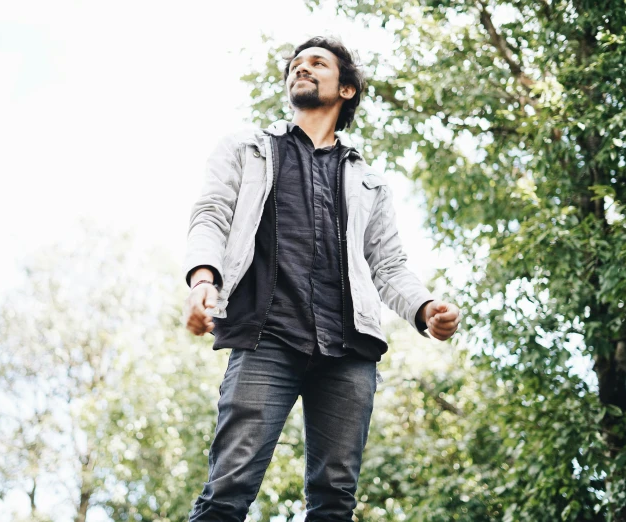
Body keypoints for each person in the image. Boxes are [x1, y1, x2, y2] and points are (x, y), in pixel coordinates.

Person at [182, 36, 461, 522]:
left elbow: (389, 264)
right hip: (265, 336)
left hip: (349, 351)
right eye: (295, 64)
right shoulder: (248, 149)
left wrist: (423, 308)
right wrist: (203, 278)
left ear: (347, 89)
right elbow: (210, 215)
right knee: (229, 486)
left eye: (317, 63)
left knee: (335, 500)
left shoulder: (369, 180)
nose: (301, 69)